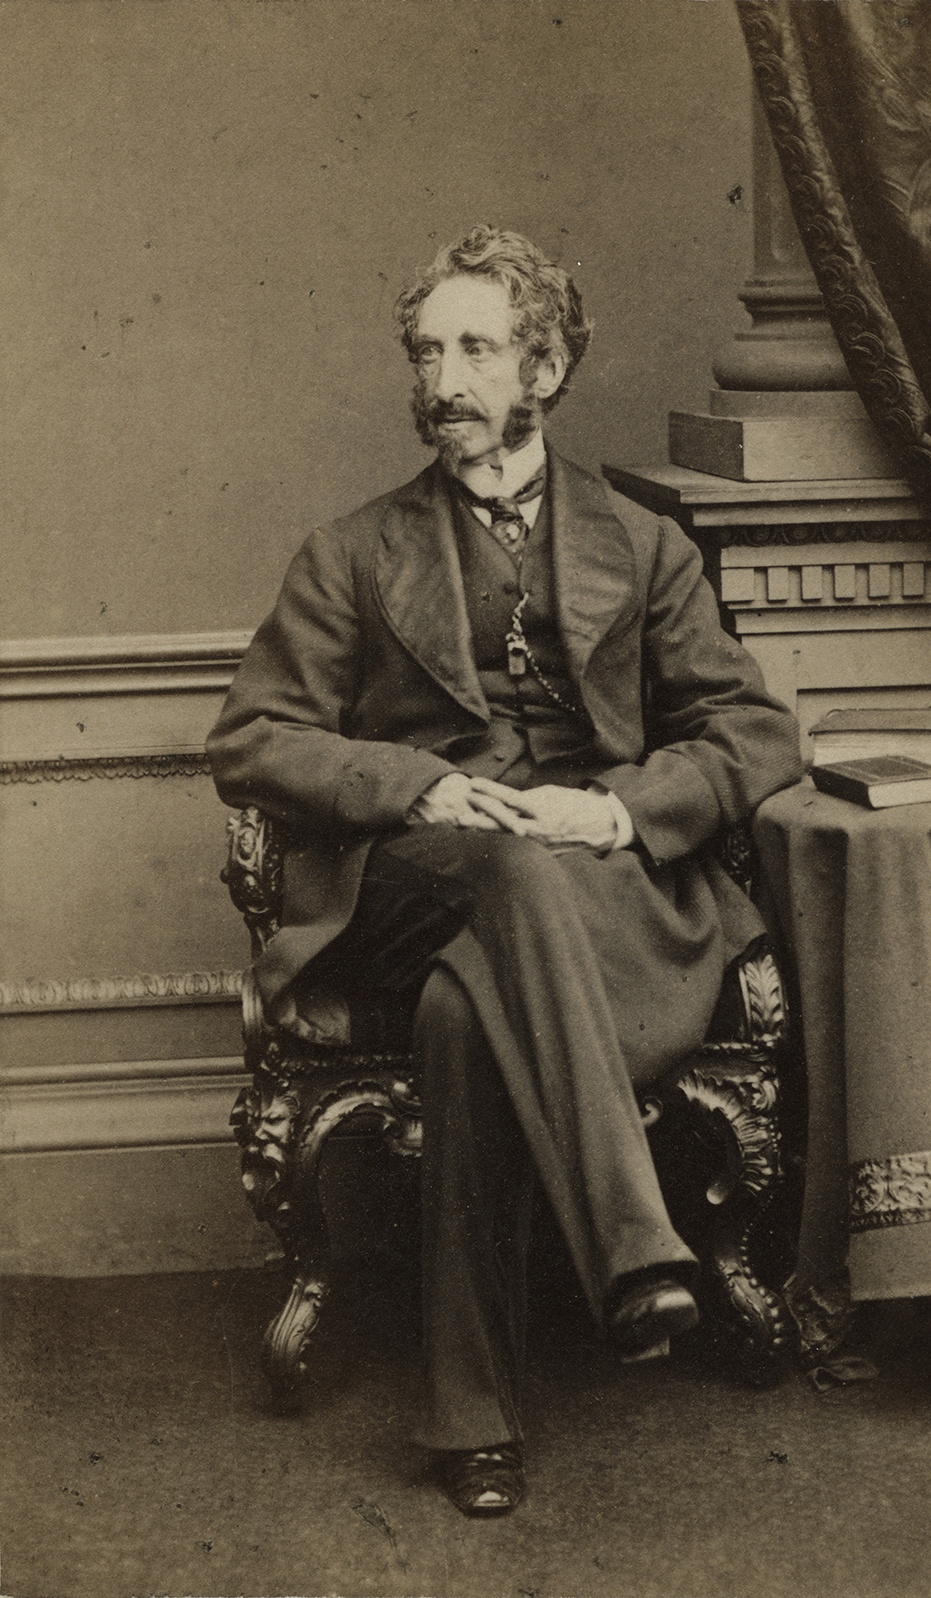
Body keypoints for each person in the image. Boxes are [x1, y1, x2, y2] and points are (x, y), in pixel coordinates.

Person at [207, 225, 803, 1516]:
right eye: (429, 350)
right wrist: (412, 782)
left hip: (603, 899)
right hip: (422, 880)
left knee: (464, 1012)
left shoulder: (642, 545)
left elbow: (755, 733)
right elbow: (250, 734)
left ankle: (472, 1421)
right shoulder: (357, 551)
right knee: (501, 869)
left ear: (544, 367)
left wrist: (622, 812)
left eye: (477, 348)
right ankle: (636, 1243)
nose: (445, 379)